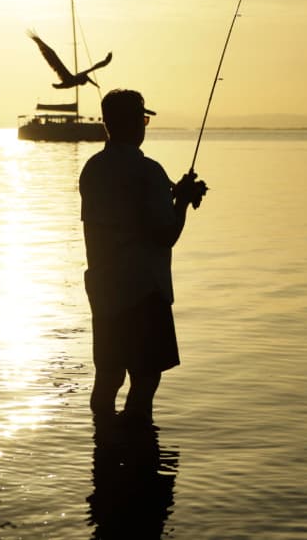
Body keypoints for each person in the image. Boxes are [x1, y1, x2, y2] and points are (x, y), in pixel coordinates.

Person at [79, 89, 207, 426]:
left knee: (108, 377)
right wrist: (181, 203)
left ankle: (103, 441)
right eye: (143, 119)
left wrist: (173, 192)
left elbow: (124, 208)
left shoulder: (92, 170)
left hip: (104, 292)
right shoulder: (148, 172)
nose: (144, 126)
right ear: (135, 123)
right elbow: (166, 234)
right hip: (144, 293)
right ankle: (137, 444)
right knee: (145, 378)